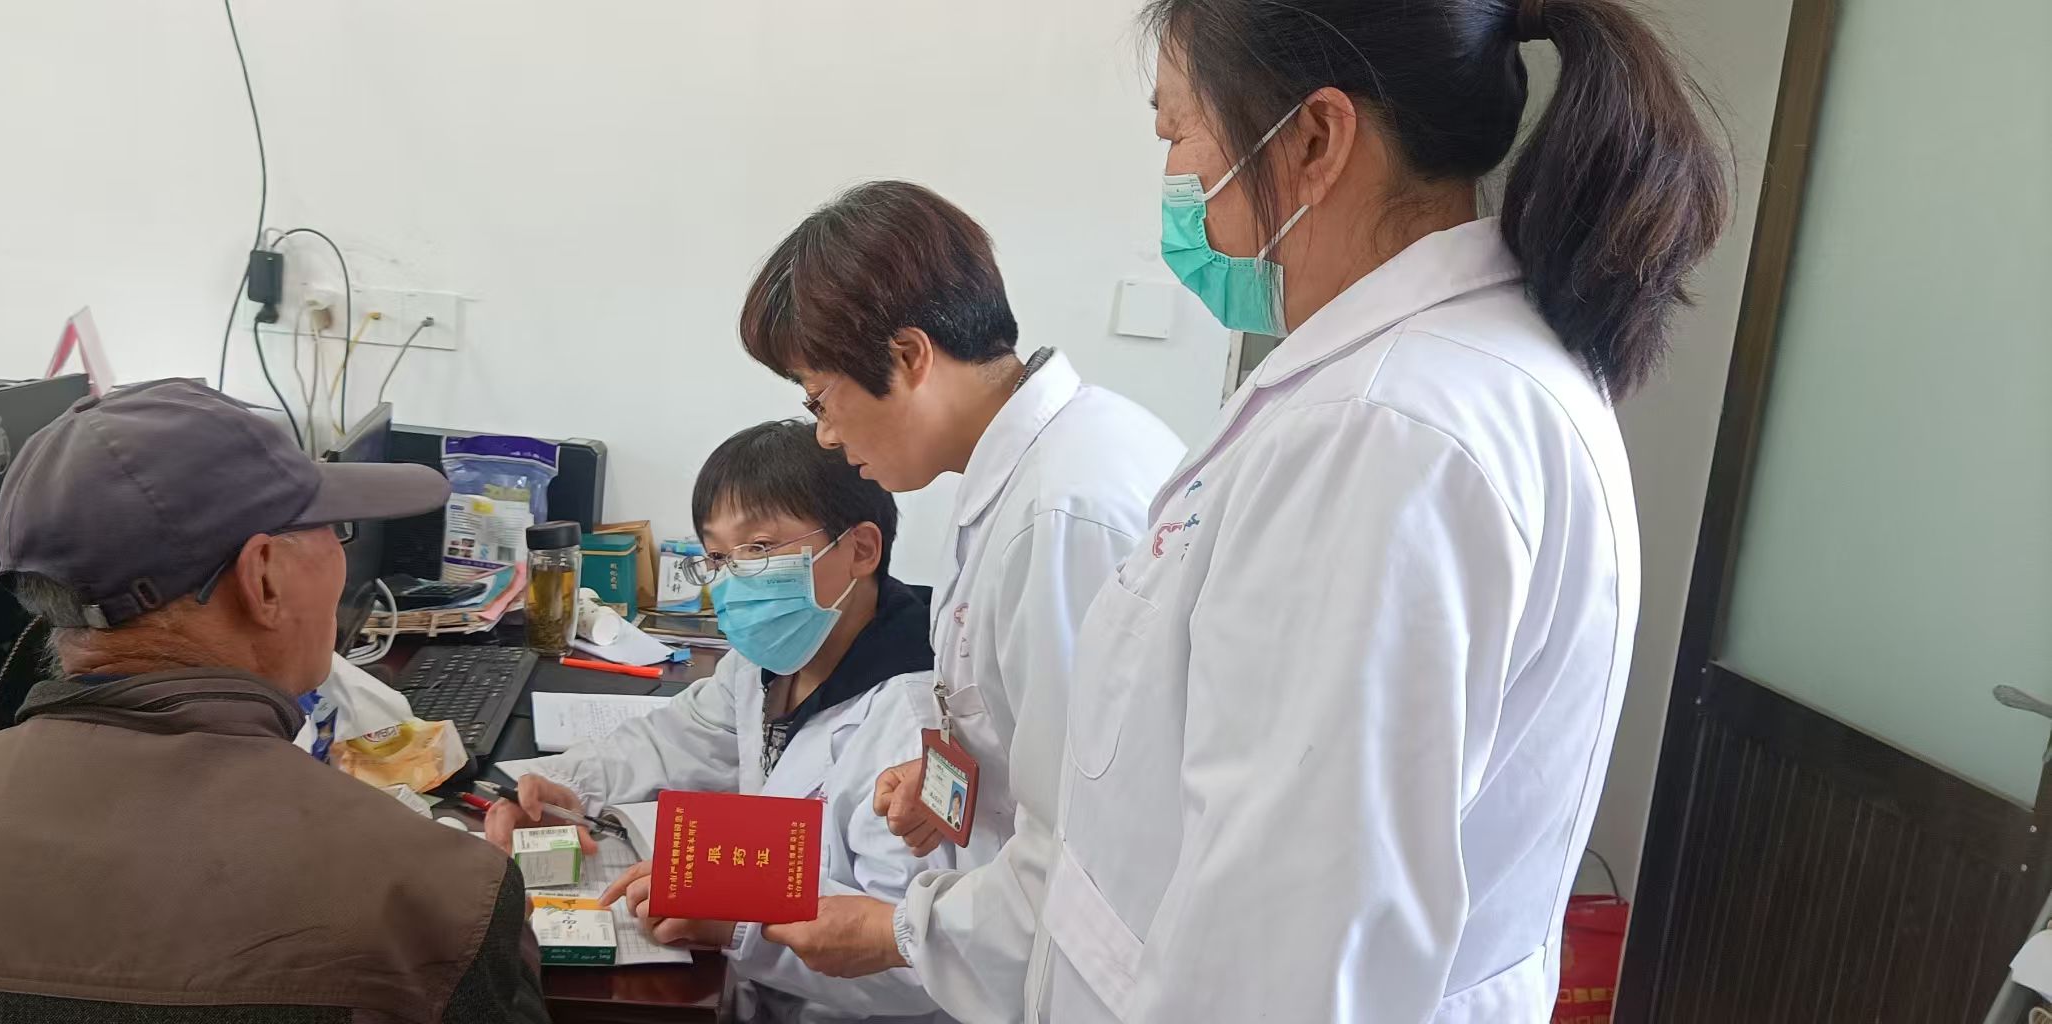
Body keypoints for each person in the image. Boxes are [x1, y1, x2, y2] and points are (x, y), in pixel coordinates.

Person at [1032, 0, 1717, 1020]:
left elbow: (1282, 961)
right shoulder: (1427, 388)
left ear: (1314, 139)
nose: (1173, 178)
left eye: (1177, 130)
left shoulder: (1386, 431)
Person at [0, 380, 548, 1024]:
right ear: (264, 578)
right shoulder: (438, 899)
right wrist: (499, 908)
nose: (343, 561)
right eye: (336, 531)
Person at [738, 181, 1185, 1023]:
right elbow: (1043, 735)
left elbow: (1096, 846)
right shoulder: (1021, 475)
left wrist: (897, 933)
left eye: (820, 397)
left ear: (910, 356)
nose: (824, 433)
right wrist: (954, 776)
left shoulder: (1063, 514)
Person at [481, 420, 954, 1024]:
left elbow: (917, 960)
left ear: (861, 549)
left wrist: (735, 922)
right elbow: (671, 741)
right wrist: (568, 788)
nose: (734, 579)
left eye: (759, 547)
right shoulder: (770, 659)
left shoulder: (916, 725)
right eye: (719, 556)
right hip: (761, 991)